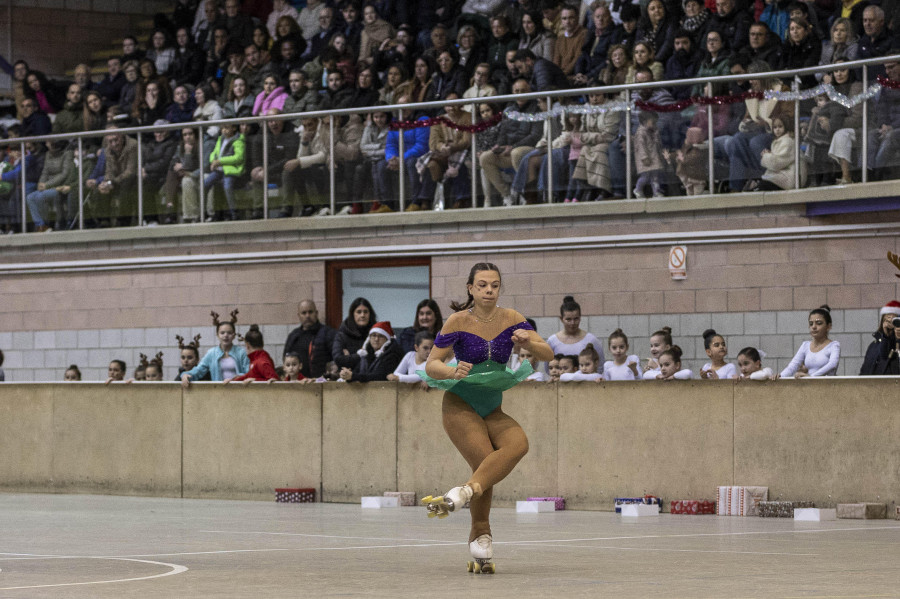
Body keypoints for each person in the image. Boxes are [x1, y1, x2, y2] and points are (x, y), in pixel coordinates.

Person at [419, 262, 553, 574]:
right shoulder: (457, 320)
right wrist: (452, 370)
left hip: (492, 406)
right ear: (471, 288)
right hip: (460, 404)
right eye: (482, 285)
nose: (488, 290)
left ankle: (463, 493)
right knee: (486, 462)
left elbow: (547, 354)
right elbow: (431, 365)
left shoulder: (512, 319)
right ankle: (482, 535)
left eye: (494, 285)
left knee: (518, 445)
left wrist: (528, 343)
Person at [181, 310, 250, 387]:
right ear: (217, 335)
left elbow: (248, 372)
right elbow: (199, 370)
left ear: (234, 335)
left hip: (239, 391)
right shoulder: (211, 353)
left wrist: (236, 378)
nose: (226, 335)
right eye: (222, 333)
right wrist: (186, 374)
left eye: (229, 333)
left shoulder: (241, 352)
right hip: (219, 391)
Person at [779, 305, 841, 378]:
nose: (814, 327)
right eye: (811, 324)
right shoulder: (805, 345)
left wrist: (811, 376)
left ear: (828, 326)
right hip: (809, 386)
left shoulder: (834, 345)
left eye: (819, 323)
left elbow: (832, 364)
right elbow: (793, 366)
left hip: (827, 386)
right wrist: (780, 376)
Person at [282, 300, 337, 379]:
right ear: (299, 315)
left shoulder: (329, 334)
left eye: (310, 312)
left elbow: (337, 359)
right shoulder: (293, 336)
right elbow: (286, 358)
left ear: (316, 313)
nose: (307, 316)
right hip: (298, 384)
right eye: (304, 313)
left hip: (321, 384)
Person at [547, 295, 604, 370]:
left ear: (580, 317)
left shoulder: (591, 340)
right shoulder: (552, 341)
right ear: (561, 319)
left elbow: (600, 366)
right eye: (568, 319)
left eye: (576, 319)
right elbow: (548, 368)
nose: (572, 323)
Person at [205, 121, 246, 221]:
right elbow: (214, 153)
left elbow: (238, 158)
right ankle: (204, 212)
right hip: (219, 170)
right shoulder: (220, 139)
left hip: (231, 170)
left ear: (234, 128)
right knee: (204, 184)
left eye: (227, 127)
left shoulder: (238, 140)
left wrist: (220, 161)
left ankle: (234, 212)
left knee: (227, 186)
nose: (224, 130)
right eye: (222, 128)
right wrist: (213, 161)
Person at [340, 321, 404, 382]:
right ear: (369, 338)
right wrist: (346, 374)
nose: (376, 339)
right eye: (374, 335)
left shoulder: (393, 354)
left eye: (381, 336)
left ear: (387, 340)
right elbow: (357, 371)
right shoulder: (367, 354)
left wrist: (353, 376)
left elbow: (379, 376)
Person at [758, 117, 806, 191]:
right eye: (775, 127)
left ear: (786, 127)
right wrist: (770, 154)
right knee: (762, 184)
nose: (777, 129)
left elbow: (776, 163)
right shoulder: (781, 141)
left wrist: (766, 155)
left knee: (763, 185)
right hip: (785, 175)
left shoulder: (788, 141)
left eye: (780, 126)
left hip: (791, 178)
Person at [332, 297, 377, 374]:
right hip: (347, 381)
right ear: (352, 314)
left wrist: (349, 358)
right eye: (359, 312)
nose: (362, 315)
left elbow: (381, 361)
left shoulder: (377, 334)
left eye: (365, 312)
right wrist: (359, 355)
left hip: (373, 380)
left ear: (370, 314)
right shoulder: (342, 335)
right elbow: (339, 360)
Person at [859, 301, 900, 375]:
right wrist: (885, 335)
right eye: (887, 318)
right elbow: (864, 371)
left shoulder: (897, 343)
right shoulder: (874, 345)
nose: (890, 323)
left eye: (894, 320)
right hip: (873, 385)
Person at [633, 110, 666, 198]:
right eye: (653, 122)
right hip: (646, 159)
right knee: (645, 177)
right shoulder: (641, 133)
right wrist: (644, 157)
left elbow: (657, 144)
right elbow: (640, 147)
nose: (655, 124)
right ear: (645, 121)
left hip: (654, 157)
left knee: (655, 177)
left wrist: (656, 134)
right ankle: (638, 189)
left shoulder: (653, 131)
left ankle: (656, 192)